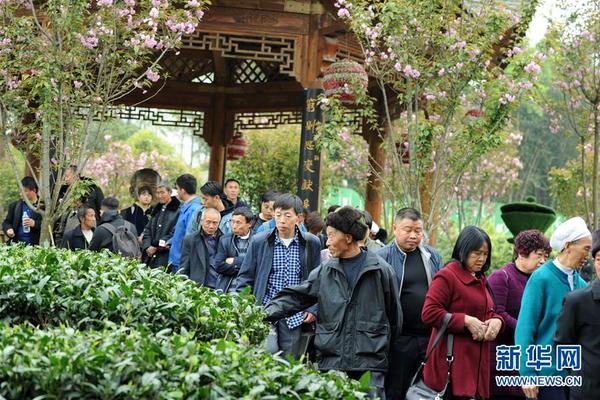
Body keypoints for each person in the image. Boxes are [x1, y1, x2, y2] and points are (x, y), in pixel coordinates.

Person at [264, 206, 401, 398]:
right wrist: (263, 313)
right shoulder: (326, 271)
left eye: (331, 236)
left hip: (369, 364)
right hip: (332, 361)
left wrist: (381, 351)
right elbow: (296, 297)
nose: (327, 242)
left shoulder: (380, 270)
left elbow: (395, 319)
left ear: (348, 238)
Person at [422, 226, 504, 400]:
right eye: (476, 253)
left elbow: (488, 310)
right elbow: (429, 312)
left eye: (485, 253)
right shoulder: (447, 276)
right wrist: (465, 321)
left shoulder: (481, 278)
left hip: (477, 367)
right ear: (463, 250)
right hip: (452, 368)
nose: (482, 258)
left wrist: (497, 321)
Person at [236, 193, 321, 358]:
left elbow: (317, 280)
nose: (281, 220)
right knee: (267, 354)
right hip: (264, 310)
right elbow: (245, 277)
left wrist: (313, 308)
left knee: (290, 361)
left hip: (294, 314)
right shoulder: (259, 241)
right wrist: (246, 307)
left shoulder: (311, 243)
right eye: (278, 215)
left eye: (287, 216)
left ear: (299, 218)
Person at [515, 217, 590, 400]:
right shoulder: (541, 279)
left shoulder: (582, 284)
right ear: (569, 245)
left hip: (576, 380)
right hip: (546, 378)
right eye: (586, 249)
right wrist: (527, 374)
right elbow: (525, 330)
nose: (588, 256)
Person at [376, 207, 442, 400]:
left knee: (423, 391)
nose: (413, 235)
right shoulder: (382, 257)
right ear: (395, 228)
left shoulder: (432, 257)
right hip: (398, 339)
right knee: (396, 389)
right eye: (408, 230)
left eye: (418, 231)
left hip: (428, 337)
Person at [488, 230, 551, 400]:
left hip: (531, 360)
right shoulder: (501, 277)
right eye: (539, 255)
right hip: (504, 362)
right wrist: (528, 331)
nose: (543, 261)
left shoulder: (540, 281)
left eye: (546, 256)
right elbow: (497, 313)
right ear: (522, 252)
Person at [553, 229, 600, 400]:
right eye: (599, 259)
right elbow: (562, 345)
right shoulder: (577, 301)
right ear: (594, 262)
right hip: (587, 392)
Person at [178, 207, 222, 288]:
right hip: (198, 287)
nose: (211, 226)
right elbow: (184, 268)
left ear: (219, 223)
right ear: (201, 221)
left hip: (219, 287)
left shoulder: (224, 239)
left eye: (215, 223)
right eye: (208, 222)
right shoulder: (191, 240)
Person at [214, 207, 255, 292]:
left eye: (238, 223)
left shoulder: (258, 240)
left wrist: (235, 261)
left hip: (249, 290)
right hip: (227, 289)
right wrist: (246, 265)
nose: (234, 226)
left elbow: (257, 266)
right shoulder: (225, 239)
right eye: (232, 222)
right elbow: (219, 266)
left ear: (249, 224)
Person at [141, 182, 180, 269]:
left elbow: (174, 233)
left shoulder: (178, 211)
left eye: (162, 192)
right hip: (149, 256)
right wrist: (147, 246)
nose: (159, 195)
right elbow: (147, 229)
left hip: (165, 255)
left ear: (169, 193)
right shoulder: (156, 209)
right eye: (158, 193)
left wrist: (156, 246)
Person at [168, 174, 202, 272]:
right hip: (176, 258)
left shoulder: (194, 209)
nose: (177, 191)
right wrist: (171, 241)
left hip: (182, 262)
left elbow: (190, 237)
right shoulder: (186, 206)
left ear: (183, 190)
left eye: (177, 188)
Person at [2, 176, 43, 246]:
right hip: (15, 245)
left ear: (34, 190)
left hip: (35, 246)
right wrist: (8, 229)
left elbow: (50, 226)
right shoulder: (14, 206)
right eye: (20, 190)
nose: (21, 194)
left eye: (25, 191)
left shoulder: (43, 207)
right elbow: (6, 222)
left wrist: (35, 224)